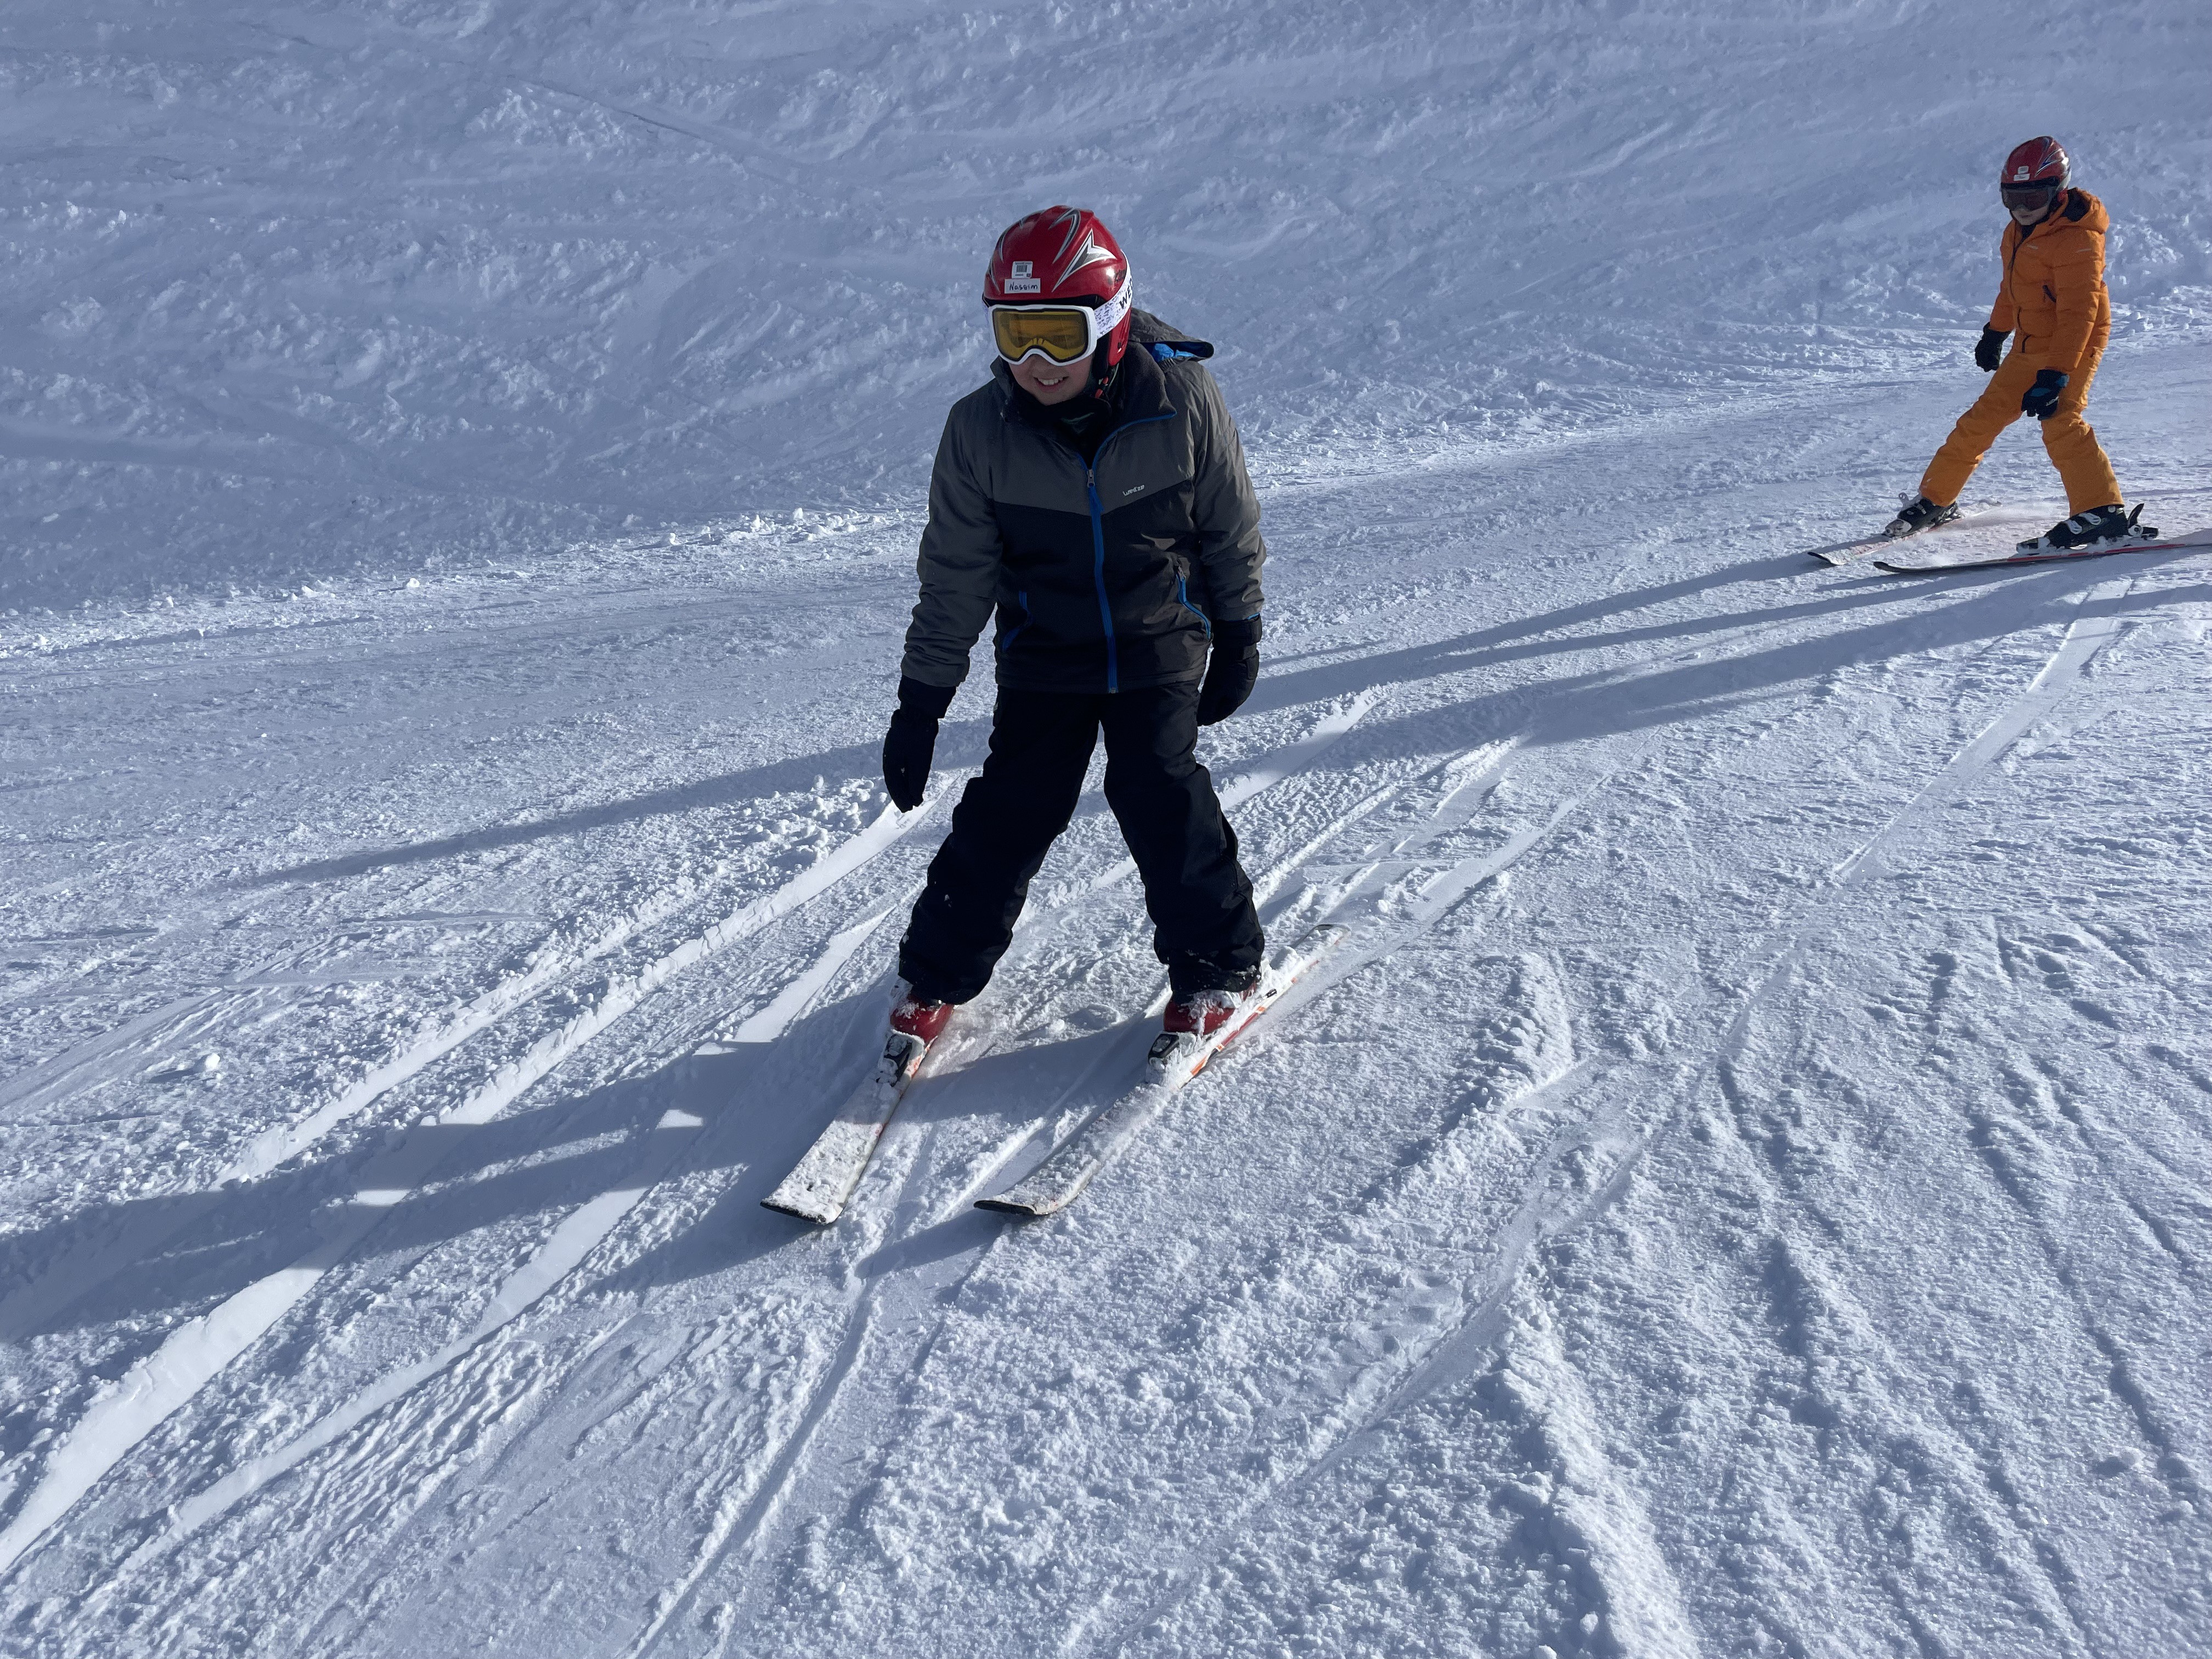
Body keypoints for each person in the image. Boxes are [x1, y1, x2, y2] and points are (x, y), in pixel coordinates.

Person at [877, 206, 1268, 1048]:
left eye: (1058, 335)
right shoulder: (980, 430)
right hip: (1044, 653)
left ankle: (1218, 965)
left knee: (1157, 788)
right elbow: (954, 578)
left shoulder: (1182, 401)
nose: (1036, 363)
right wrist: (921, 702)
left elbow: (1228, 524)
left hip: (1158, 638)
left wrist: (1240, 631)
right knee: (1014, 805)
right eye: (1015, 335)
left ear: (1110, 321)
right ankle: (937, 972)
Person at [1886, 136, 2149, 553]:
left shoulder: (2077, 240)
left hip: (2075, 342)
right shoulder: (2017, 231)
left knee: (2060, 418)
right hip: (2030, 342)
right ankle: (1937, 499)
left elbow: (2078, 314)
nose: (2022, 208)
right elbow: (2014, 289)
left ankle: (2101, 511)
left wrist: (2056, 375)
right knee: (1980, 420)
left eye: (2033, 197)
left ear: (2057, 190)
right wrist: (1995, 332)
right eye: (2012, 198)